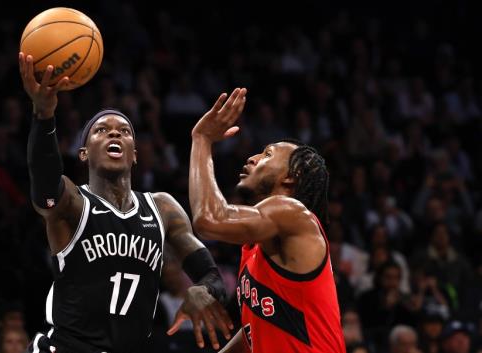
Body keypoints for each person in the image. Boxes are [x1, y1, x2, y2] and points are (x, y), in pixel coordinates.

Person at [18, 53, 232, 353]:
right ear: (84, 154)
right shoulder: (74, 203)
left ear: (133, 154)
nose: (115, 132)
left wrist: (203, 290)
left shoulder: (163, 209)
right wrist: (43, 116)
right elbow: (44, 187)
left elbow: (213, 277)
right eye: (101, 130)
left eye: (125, 130)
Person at [182, 87, 345, 352]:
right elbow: (252, 335)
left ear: (292, 176)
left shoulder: (293, 213)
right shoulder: (255, 245)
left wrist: (201, 139)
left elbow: (208, 219)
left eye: (267, 155)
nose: (252, 158)